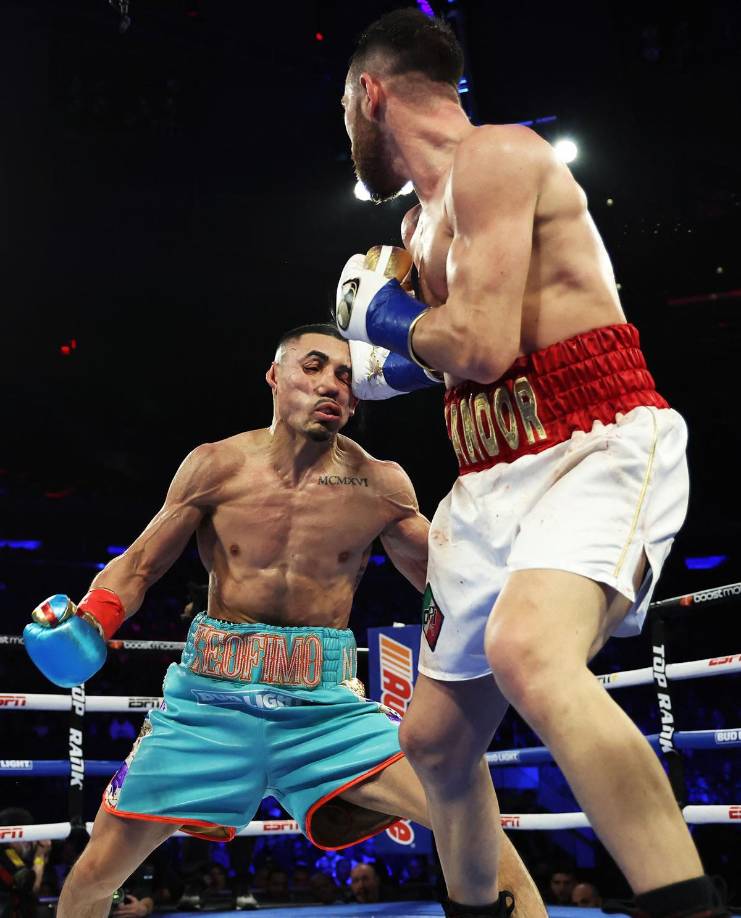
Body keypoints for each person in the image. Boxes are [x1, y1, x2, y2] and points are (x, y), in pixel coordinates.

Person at [336, 8, 725, 918]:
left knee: (528, 653)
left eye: (345, 110)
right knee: (432, 741)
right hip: (486, 473)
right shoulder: (415, 222)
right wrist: (373, 352)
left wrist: (381, 315)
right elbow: (437, 363)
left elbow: (472, 345)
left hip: (591, 439)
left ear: (370, 93)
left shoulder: (499, 158)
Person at [23, 324, 543, 918]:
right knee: (93, 875)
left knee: (473, 817)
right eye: (314, 366)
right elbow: (139, 566)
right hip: (208, 705)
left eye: (346, 377)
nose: (331, 385)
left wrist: (526, 594)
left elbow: (448, 579)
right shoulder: (216, 465)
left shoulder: (379, 483)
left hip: (326, 710)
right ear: (275, 376)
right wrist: (95, 616)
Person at [0, 809, 51, 918]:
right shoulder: (7, 853)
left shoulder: (16, 857)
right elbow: (32, 887)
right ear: (14, 835)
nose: (30, 842)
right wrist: (40, 857)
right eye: (27, 836)